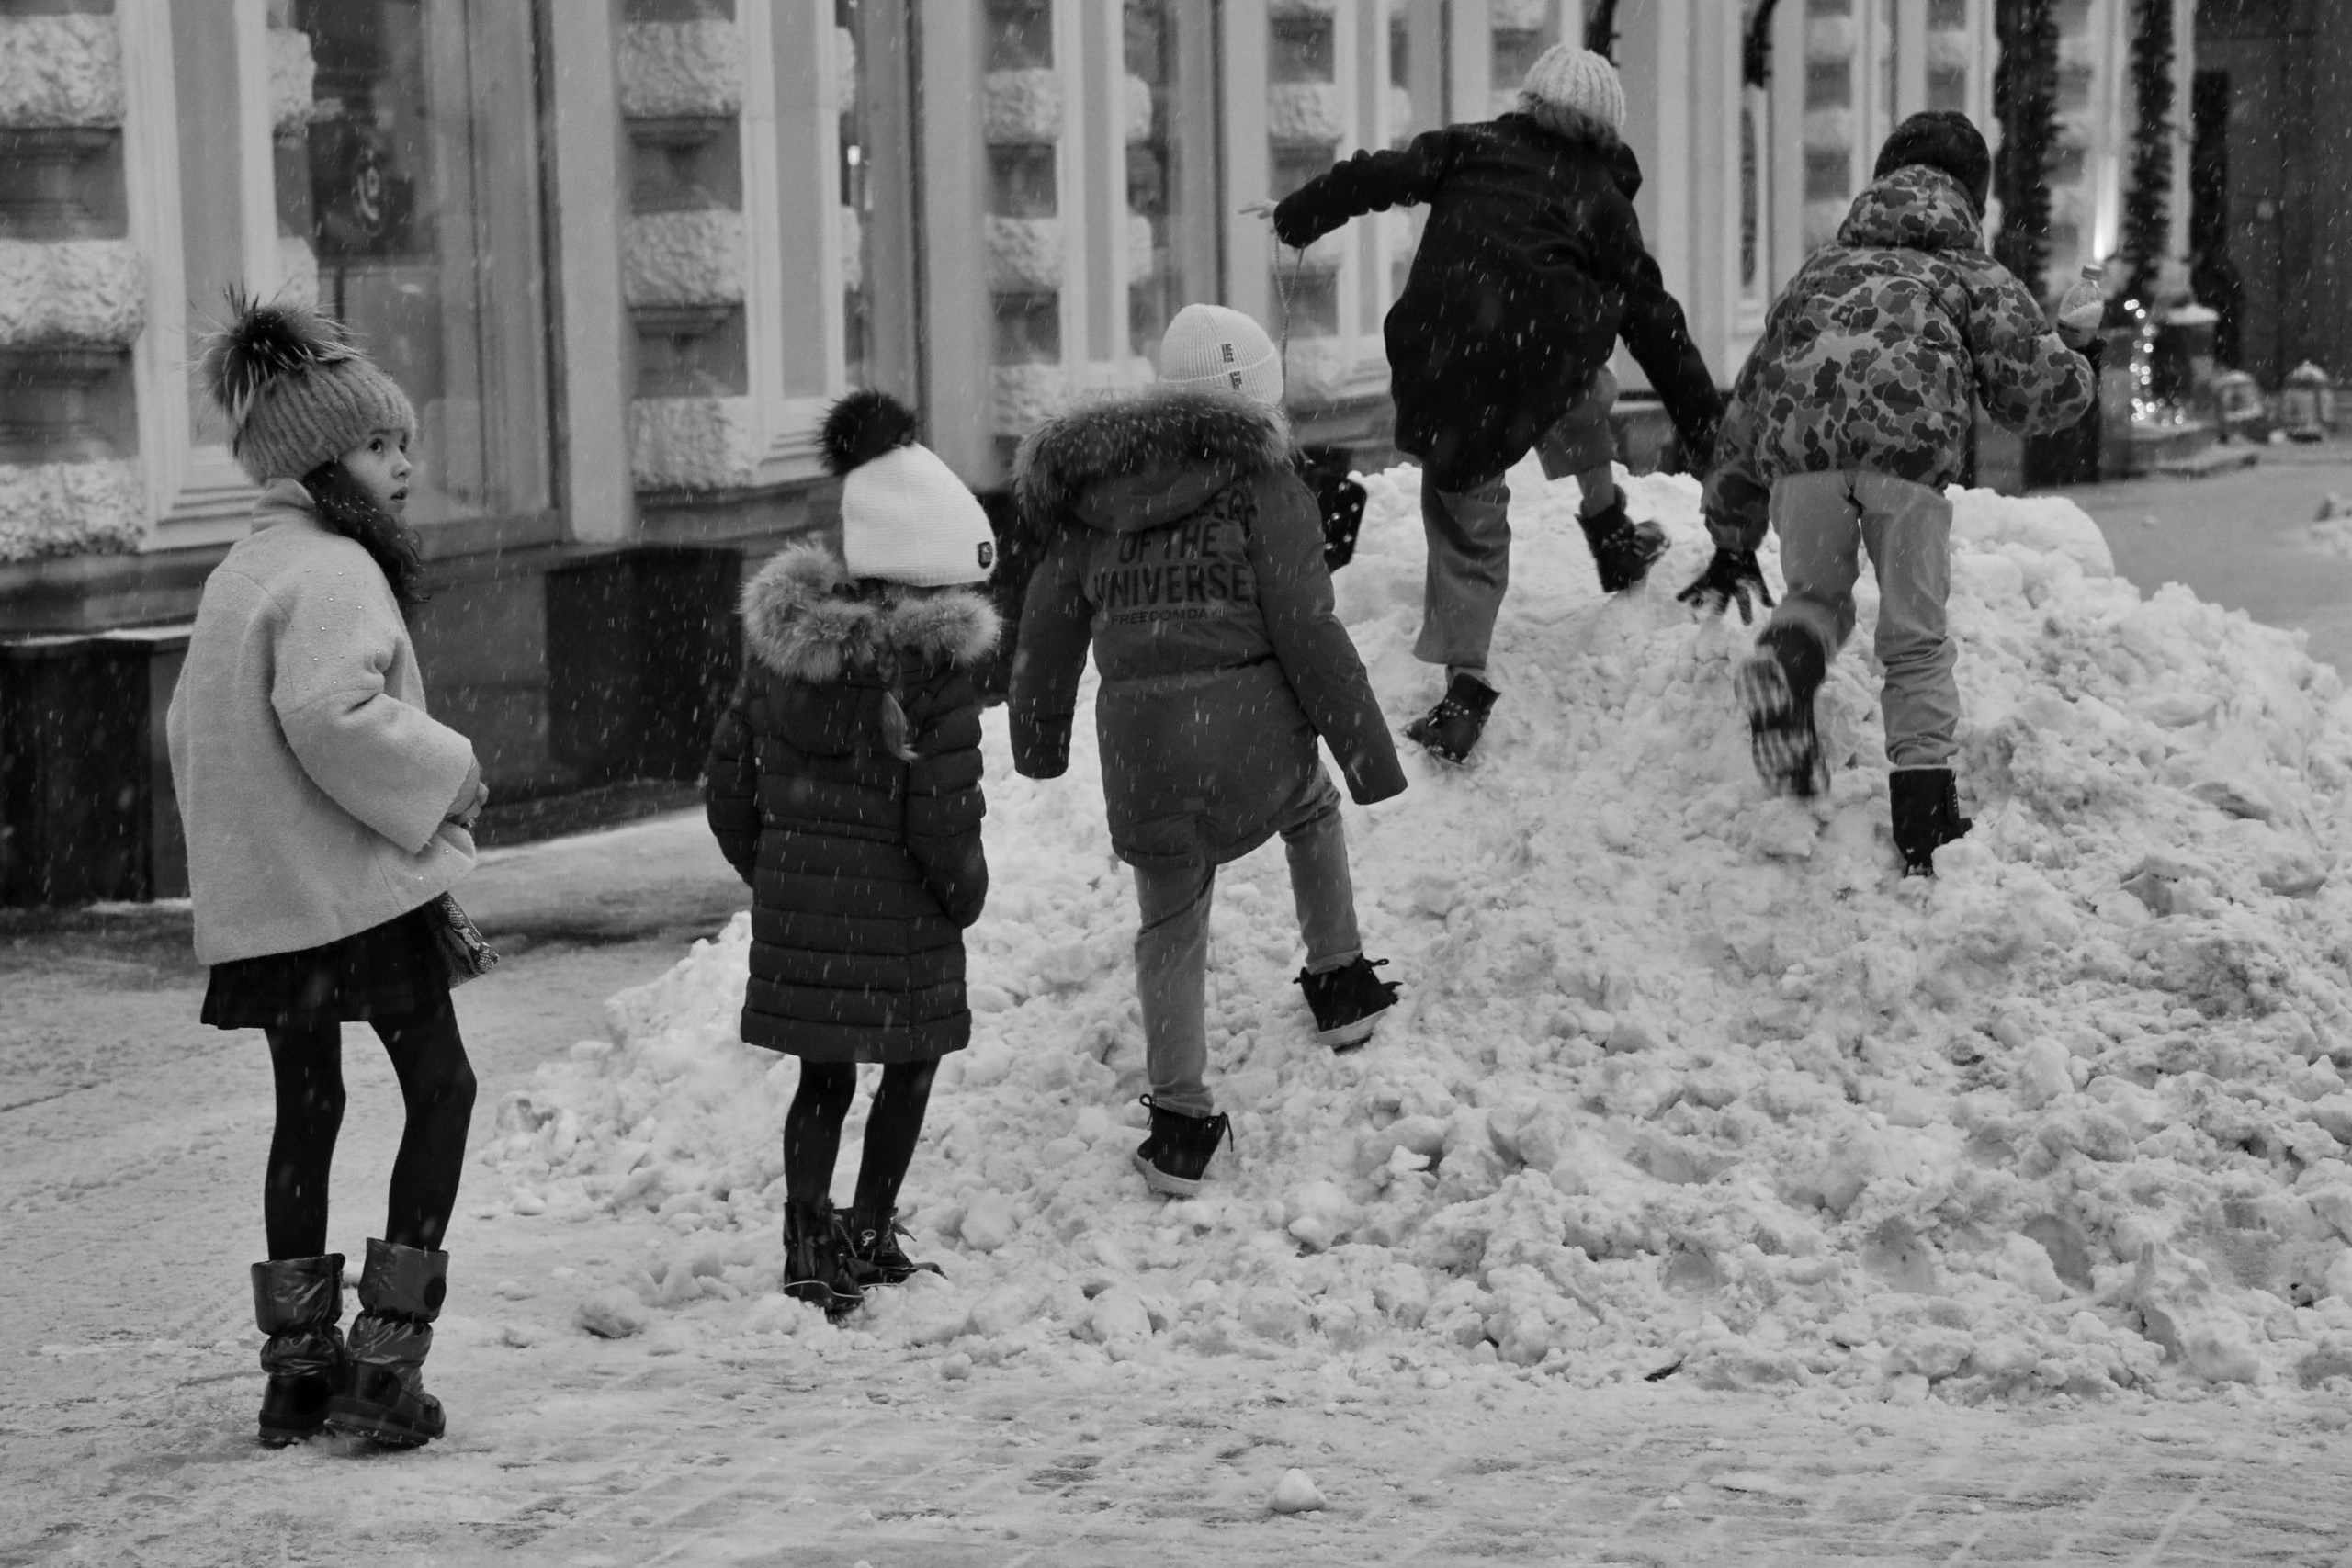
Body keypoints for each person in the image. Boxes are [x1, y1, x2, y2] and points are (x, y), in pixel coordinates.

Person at [169, 290, 488, 1450]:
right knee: (442, 1089)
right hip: (353, 892)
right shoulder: (334, 565)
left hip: (279, 900)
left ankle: (300, 1373)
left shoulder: (244, 572)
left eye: (403, 441)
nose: (402, 465)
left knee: (307, 1110)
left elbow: (194, 732)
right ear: (318, 460)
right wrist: (448, 776)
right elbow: (329, 712)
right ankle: (385, 1366)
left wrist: (249, 855)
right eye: (377, 445)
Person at [1008, 303, 1408, 1199]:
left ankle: (1182, 1127)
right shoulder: (1265, 486)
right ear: (1251, 398)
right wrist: (1365, 754)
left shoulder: (1091, 498)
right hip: (1251, 743)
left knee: (1169, 922)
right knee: (1310, 804)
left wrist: (1038, 744)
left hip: (1144, 755)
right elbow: (1307, 631)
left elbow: (1045, 633)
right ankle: (1339, 981)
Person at [1271, 43, 1724, 763]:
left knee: (1466, 522)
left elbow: (1379, 174)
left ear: (1530, 103)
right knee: (1582, 383)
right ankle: (1608, 527)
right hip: (1539, 364)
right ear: (1605, 129)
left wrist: (1299, 214)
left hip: (1440, 362)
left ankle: (1465, 686)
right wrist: (1707, 431)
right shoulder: (1600, 200)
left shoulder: (1470, 147)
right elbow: (1655, 322)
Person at [1679, 111, 2098, 875]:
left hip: (1804, 466)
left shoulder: (1818, 271)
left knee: (1816, 599)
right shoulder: (1971, 274)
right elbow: (2036, 395)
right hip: (1905, 468)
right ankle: (1925, 816)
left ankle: (1787, 662)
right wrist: (2078, 354)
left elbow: (1749, 404)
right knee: (1914, 638)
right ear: (1972, 196)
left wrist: (1732, 533)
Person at [704, 390, 998, 1315]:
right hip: (903, 915)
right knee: (910, 1062)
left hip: (807, 912)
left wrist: (778, 872)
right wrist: (964, 895)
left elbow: (727, 785)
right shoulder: (934, 674)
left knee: (822, 1074)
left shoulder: (782, 652)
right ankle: (867, 1232)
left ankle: (805, 1242)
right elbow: (941, 821)